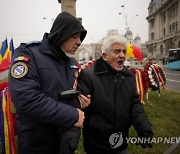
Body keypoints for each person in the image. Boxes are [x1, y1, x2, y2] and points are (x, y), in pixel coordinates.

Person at [8, 12, 90, 154]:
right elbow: (27, 99)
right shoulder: (28, 54)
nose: (79, 42)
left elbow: (68, 94)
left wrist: (80, 101)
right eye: (74, 36)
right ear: (61, 34)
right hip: (36, 145)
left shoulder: (72, 62)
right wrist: (72, 115)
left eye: (80, 37)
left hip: (63, 142)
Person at [77, 35, 153, 154]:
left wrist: (144, 129)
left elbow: (135, 105)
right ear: (105, 56)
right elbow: (80, 109)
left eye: (124, 51)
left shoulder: (128, 77)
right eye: (117, 51)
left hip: (121, 144)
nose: (122, 55)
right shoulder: (88, 76)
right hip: (97, 146)